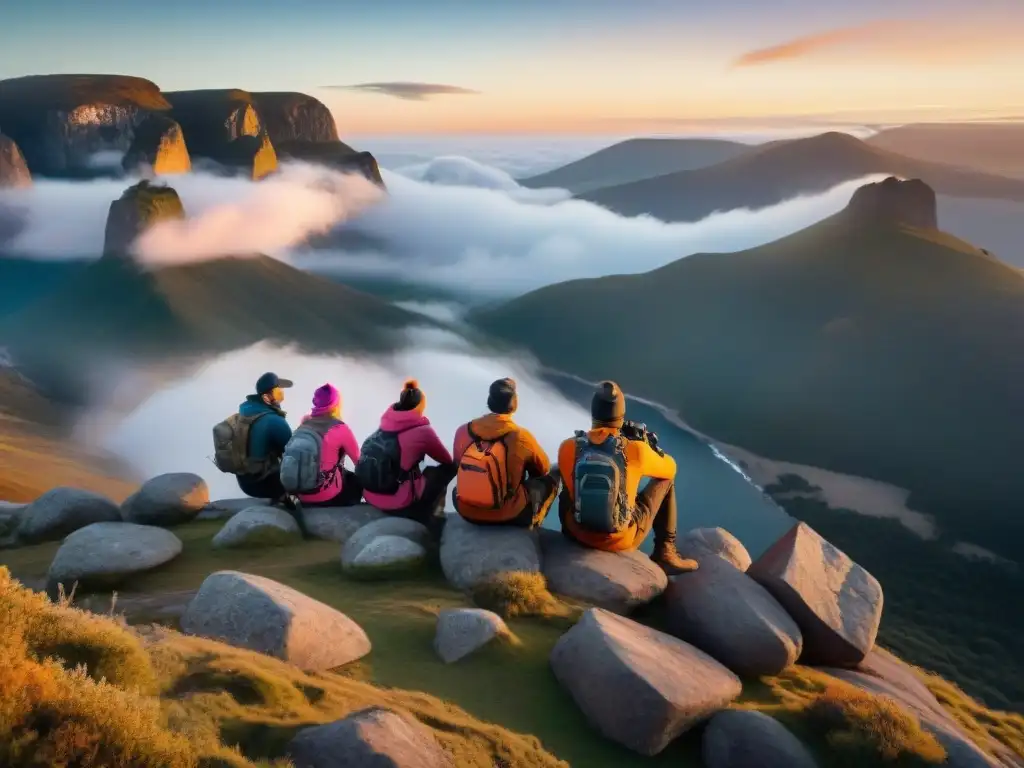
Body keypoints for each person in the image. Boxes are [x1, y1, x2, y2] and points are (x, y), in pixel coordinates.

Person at [556, 380, 698, 575]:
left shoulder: (568, 447)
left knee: (566, 475)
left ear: (594, 413)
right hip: (620, 539)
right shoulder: (636, 450)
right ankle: (665, 552)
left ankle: (556, 531)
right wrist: (648, 445)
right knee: (666, 481)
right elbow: (671, 468)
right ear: (620, 414)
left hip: (575, 531)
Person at [452, 377, 560, 528]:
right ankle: (534, 523)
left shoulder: (463, 430)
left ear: (490, 401)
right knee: (552, 476)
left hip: (466, 510)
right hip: (509, 515)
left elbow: (457, 464)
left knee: (457, 489)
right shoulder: (520, 436)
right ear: (514, 403)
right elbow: (543, 469)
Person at [357, 379, 455, 530]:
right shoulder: (423, 431)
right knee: (447, 469)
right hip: (397, 501)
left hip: (370, 496)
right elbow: (445, 459)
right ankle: (430, 517)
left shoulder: (384, 426)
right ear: (420, 406)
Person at [212, 372, 294, 502]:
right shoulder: (274, 421)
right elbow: (293, 453)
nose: (281, 396)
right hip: (266, 484)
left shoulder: (246, 413)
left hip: (246, 483)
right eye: (279, 393)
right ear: (267, 398)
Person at [282, 383, 363, 508]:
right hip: (326, 496)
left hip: (302, 494)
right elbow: (359, 462)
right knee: (355, 481)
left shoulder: (304, 425)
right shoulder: (340, 428)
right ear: (336, 404)